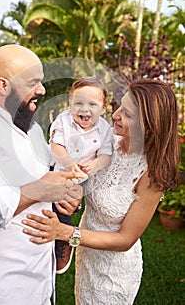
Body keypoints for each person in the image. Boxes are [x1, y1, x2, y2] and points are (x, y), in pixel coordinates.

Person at [21, 78, 179, 305]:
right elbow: (87, 178)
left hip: (113, 273)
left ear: (149, 124)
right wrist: (74, 197)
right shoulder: (107, 141)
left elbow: (125, 239)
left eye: (128, 115)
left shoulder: (152, 174)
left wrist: (64, 232)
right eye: (120, 106)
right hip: (87, 257)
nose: (115, 115)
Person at [0, 44, 82, 305]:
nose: (42, 90)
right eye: (33, 82)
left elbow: (45, 177)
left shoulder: (29, 127)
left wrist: (63, 194)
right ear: (3, 86)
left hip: (39, 282)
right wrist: (36, 191)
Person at [49, 76, 113, 274]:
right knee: (48, 202)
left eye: (92, 104)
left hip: (84, 179)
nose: (84, 109)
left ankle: (63, 240)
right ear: (70, 104)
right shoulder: (63, 120)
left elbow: (106, 155)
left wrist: (95, 164)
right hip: (60, 171)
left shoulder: (105, 129)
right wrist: (69, 164)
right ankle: (47, 237)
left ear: (103, 108)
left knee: (65, 206)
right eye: (78, 103)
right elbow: (56, 146)